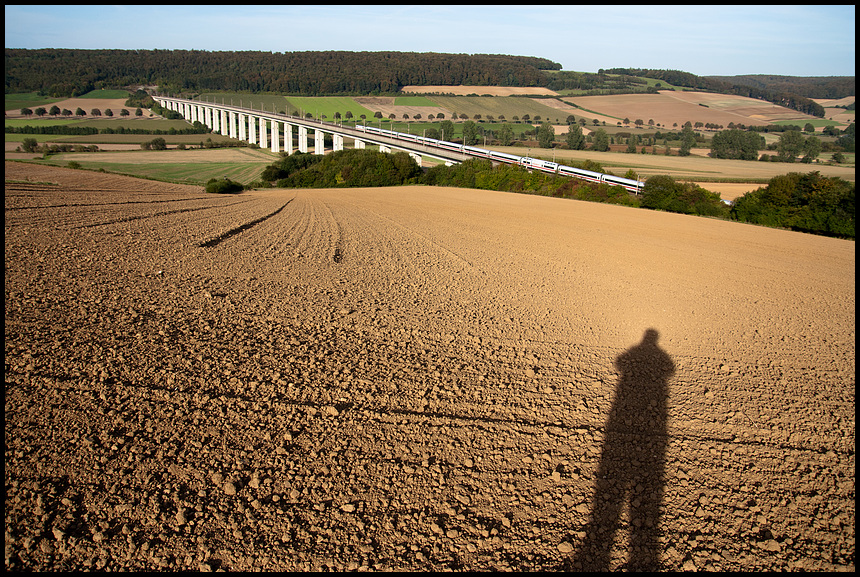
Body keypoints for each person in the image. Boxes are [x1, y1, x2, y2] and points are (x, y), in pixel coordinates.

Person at [572, 328, 675, 571]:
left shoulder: (633, 355)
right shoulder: (660, 360)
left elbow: (621, 362)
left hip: (621, 431)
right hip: (652, 431)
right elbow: (669, 369)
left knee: (607, 496)